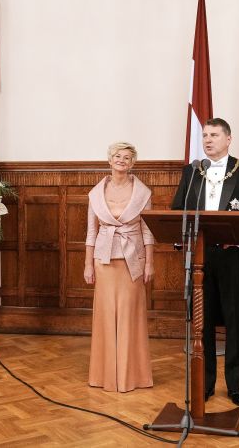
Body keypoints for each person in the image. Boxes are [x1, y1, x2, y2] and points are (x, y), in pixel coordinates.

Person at [171, 118, 239, 407]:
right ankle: (206, 384)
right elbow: (178, 210)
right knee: (203, 322)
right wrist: (182, 238)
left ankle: (235, 386)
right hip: (200, 259)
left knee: (235, 322)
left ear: (228, 139)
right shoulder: (192, 171)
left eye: (213, 135)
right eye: (204, 135)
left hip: (232, 257)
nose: (208, 140)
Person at [85, 142, 155, 392]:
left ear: (133, 163)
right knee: (105, 317)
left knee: (129, 317)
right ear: (110, 160)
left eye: (127, 157)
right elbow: (91, 232)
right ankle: (103, 376)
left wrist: (149, 262)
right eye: (117, 156)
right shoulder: (95, 193)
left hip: (132, 261)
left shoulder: (143, 193)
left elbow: (148, 231)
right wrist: (88, 264)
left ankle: (132, 377)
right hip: (103, 261)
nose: (121, 160)